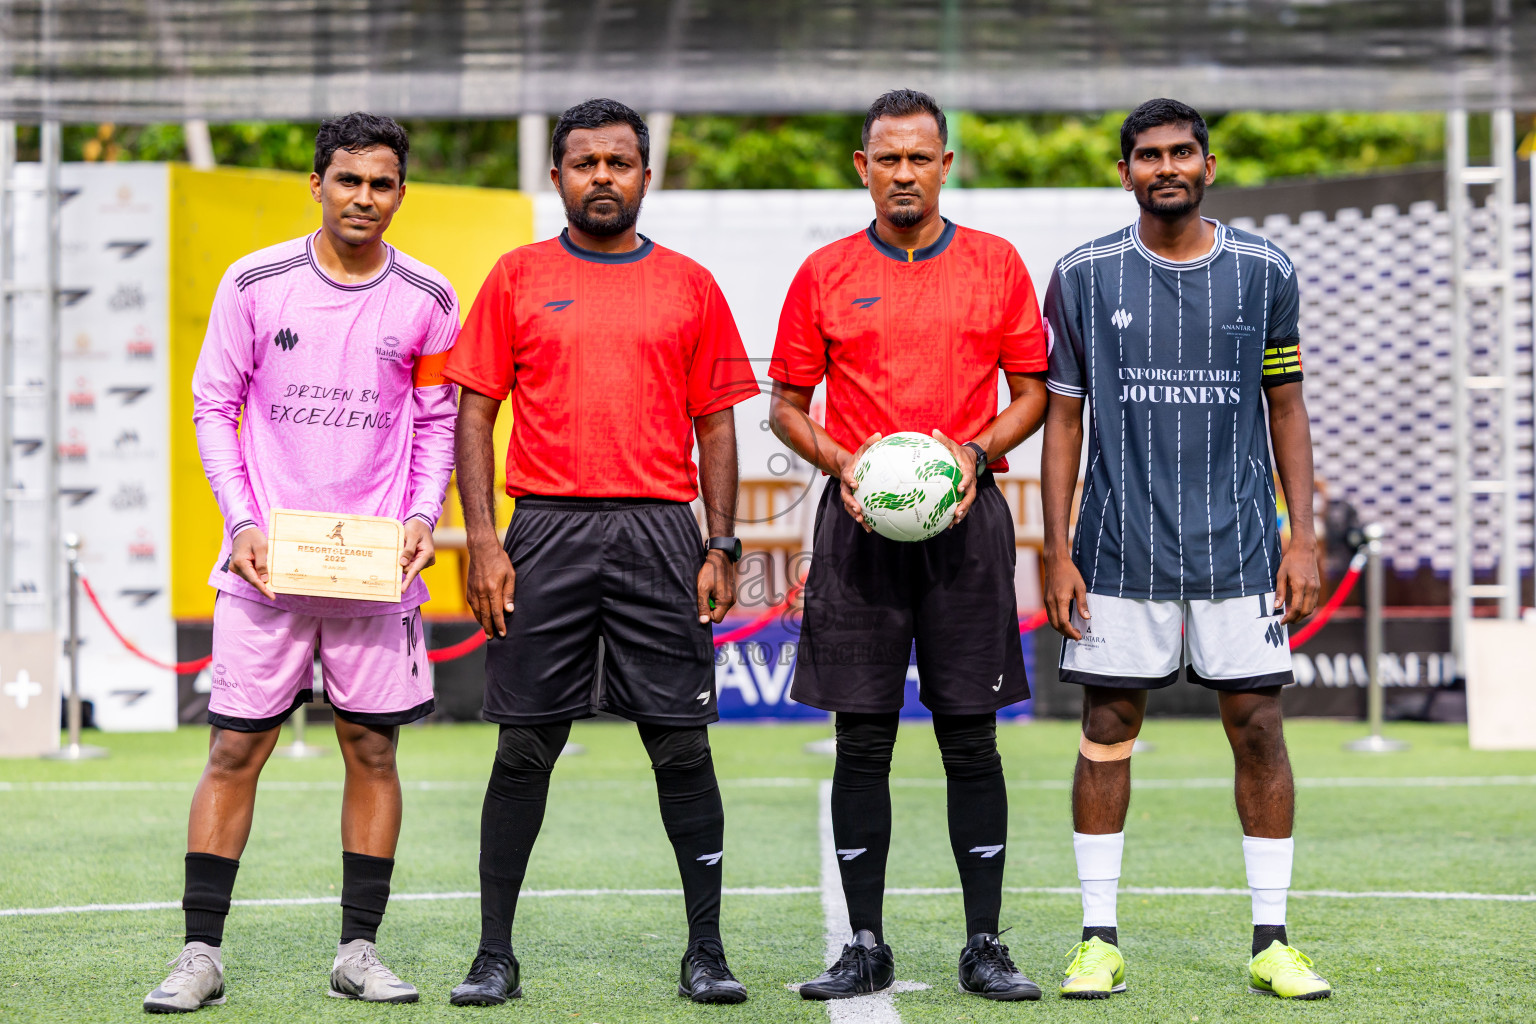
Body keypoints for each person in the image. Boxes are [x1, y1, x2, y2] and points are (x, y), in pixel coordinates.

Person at [442, 98, 759, 1007]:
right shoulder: (514, 277)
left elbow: (717, 426)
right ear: (558, 177)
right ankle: (493, 954)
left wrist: (721, 542)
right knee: (524, 750)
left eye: (620, 163)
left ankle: (707, 951)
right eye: (586, 164)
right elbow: (475, 412)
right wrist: (487, 542)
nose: (603, 178)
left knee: (682, 748)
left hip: (662, 531)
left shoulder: (691, 285)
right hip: (544, 530)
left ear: (646, 176)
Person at [145, 112, 458, 1012]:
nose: (366, 197)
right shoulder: (255, 283)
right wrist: (241, 520)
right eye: (349, 179)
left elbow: (436, 421)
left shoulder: (430, 299)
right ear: (316, 184)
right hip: (267, 566)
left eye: (383, 183)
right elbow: (214, 407)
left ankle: (359, 951)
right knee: (235, 748)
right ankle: (199, 953)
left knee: (372, 747)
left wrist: (418, 515)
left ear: (401, 192)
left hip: (375, 570)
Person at [1040, 97, 1331, 1001]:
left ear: (1208, 166)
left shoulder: (1264, 270)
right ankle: (1097, 940)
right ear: (1122, 171)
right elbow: (1062, 418)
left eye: (1182, 152)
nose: (1165, 166)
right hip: (1118, 548)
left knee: (1257, 727)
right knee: (1106, 730)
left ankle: (1274, 941)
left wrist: (1303, 533)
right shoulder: (1082, 274)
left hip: (1242, 549)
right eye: (1147, 155)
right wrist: (1055, 549)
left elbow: (1285, 405)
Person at [768, 89, 1050, 1002]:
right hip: (858, 534)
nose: (903, 173)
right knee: (863, 743)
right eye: (886, 158)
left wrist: (974, 452)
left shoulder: (996, 265)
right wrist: (843, 462)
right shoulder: (822, 272)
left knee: (972, 740)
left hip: (968, 527)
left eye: (919, 158)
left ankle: (984, 944)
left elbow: (1033, 393)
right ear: (863, 167)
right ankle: (863, 942)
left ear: (945, 165)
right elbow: (784, 406)